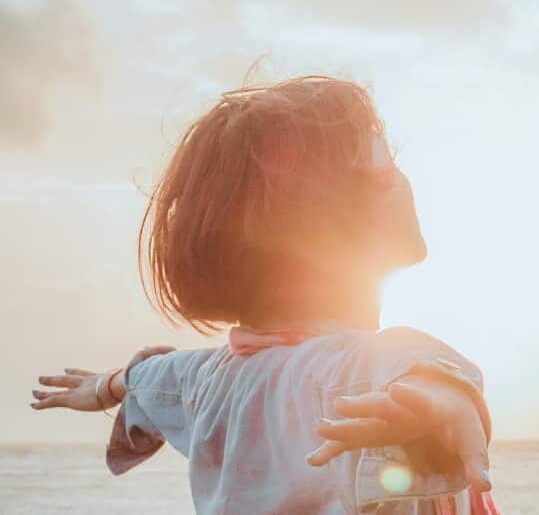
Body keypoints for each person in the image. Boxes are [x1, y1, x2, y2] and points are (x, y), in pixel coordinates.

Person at [30, 76, 501, 514]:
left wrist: (106, 385)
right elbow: (412, 366)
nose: (402, 180)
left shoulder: (208, 379)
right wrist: (438, 399)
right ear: (320, 224)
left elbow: (151, 379)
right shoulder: (347, 371)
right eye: (383, 167)